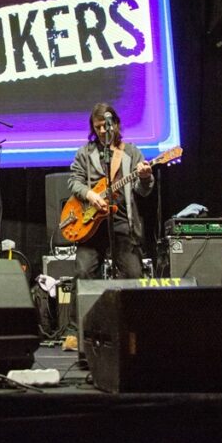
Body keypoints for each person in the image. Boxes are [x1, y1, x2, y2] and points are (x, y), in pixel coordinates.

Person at [61, 103, 154, 351]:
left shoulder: (131, 152)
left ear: (117, 125)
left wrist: (146, 177)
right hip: (90, 222)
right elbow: (73, 182)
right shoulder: (85, 153)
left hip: (122, 221)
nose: (103, 130)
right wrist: (90, 195)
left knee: (133, 274)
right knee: (83, 272)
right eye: (98, 127)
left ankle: (133, 330)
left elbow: (143, 191)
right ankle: (76, 331)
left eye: (106, 125)